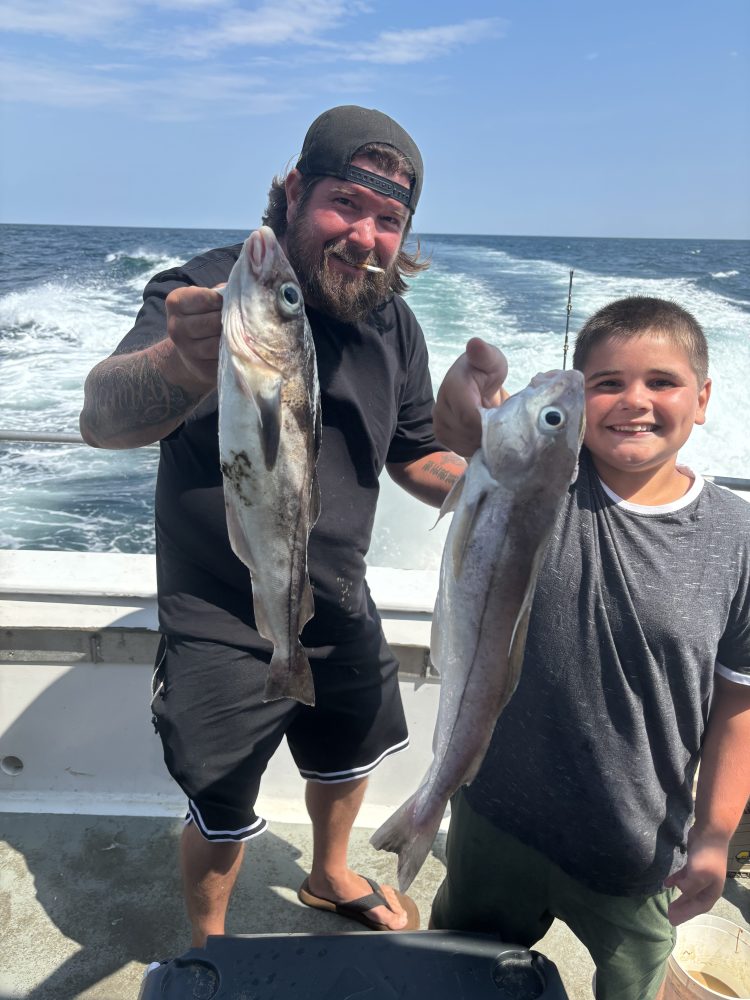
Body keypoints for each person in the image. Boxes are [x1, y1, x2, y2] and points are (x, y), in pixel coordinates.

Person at [79, 105, 466, 946]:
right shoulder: (210, 293)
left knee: (349, 753)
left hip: (336, 595)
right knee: (221, 802)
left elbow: (414, 453)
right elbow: (103, 419)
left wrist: (501, 487)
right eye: (344, 205)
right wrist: (178, 363)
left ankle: (330, 873)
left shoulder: (393, 319)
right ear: (292, 192)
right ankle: (210, 946)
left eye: (389, 220)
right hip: (220, 609)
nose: (365, 236)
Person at [430, 297, 750, 1000]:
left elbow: (739, 701)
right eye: (606, 382)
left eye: (660, 382)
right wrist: (471, 387)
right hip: (494, 818)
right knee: (456, 969)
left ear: (702, 400)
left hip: (636, 851)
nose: (633, 400)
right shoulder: (545, 479)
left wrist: (716, 833)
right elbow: (461, 424)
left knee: (635, 987)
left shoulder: (739, 538)